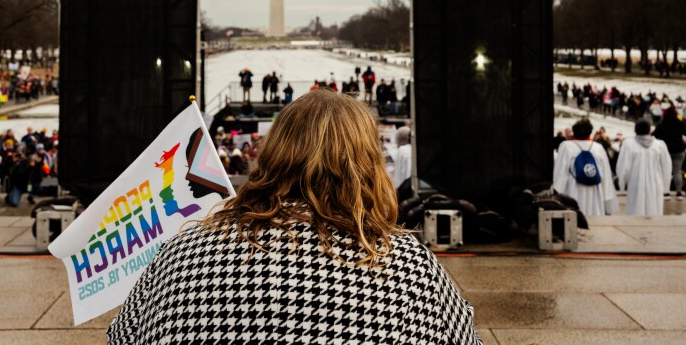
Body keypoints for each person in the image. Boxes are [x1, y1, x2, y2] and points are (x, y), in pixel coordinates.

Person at [107, 89, 481, 344]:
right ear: (367, 166)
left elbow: (120, 337)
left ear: (271, 155)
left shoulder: (179, 256)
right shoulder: (406, 266)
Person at [553, 118, 618, 216]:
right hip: (595, 190)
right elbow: (605, 173)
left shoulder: (566, 146)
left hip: (573, 190)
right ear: (590, 132)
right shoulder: (598, 147)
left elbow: (560, 171)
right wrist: (606, 196)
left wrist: (558, 191)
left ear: (574, 131)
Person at [616, 119, 672, 216]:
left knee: (636, 210)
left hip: (636, 182)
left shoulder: (629, 144)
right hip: (655, 182)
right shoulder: (659, 145)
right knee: (654, 210)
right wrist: (665, 186)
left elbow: (623, 166)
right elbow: (666, 166)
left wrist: (622, 183)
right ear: (649, 130)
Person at [653, 105, 686, 200]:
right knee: (677, 171)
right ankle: (679, 193)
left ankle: (666, 193)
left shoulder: (661, 124)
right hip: (679, 150)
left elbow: (655, 135)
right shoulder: (679, 122)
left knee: (665, 171)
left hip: (665, 150)